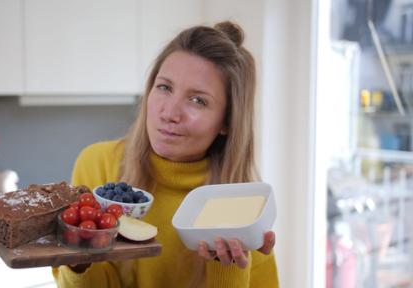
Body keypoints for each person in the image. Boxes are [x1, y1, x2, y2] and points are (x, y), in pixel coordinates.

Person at [52, 21, 278, 288]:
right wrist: (80, 259)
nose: (169, 113)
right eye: (165, 87)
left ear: (227, 122)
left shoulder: (243, 207)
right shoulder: (98, 165)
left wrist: (227, 272)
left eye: (198, 100)